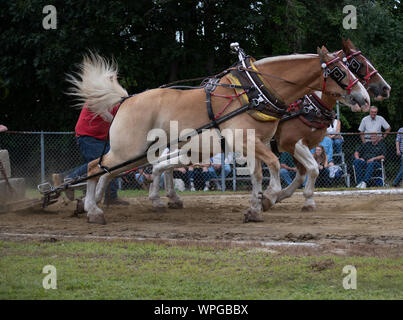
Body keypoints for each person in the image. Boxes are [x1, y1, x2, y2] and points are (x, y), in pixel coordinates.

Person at [52, 103, 129, 205]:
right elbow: (106, 116)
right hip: (88, 136)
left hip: (102, 138)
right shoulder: (95, 97)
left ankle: (111, 196)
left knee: (112, 162)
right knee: (100, 163)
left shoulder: (116, 101)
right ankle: (69, 178)